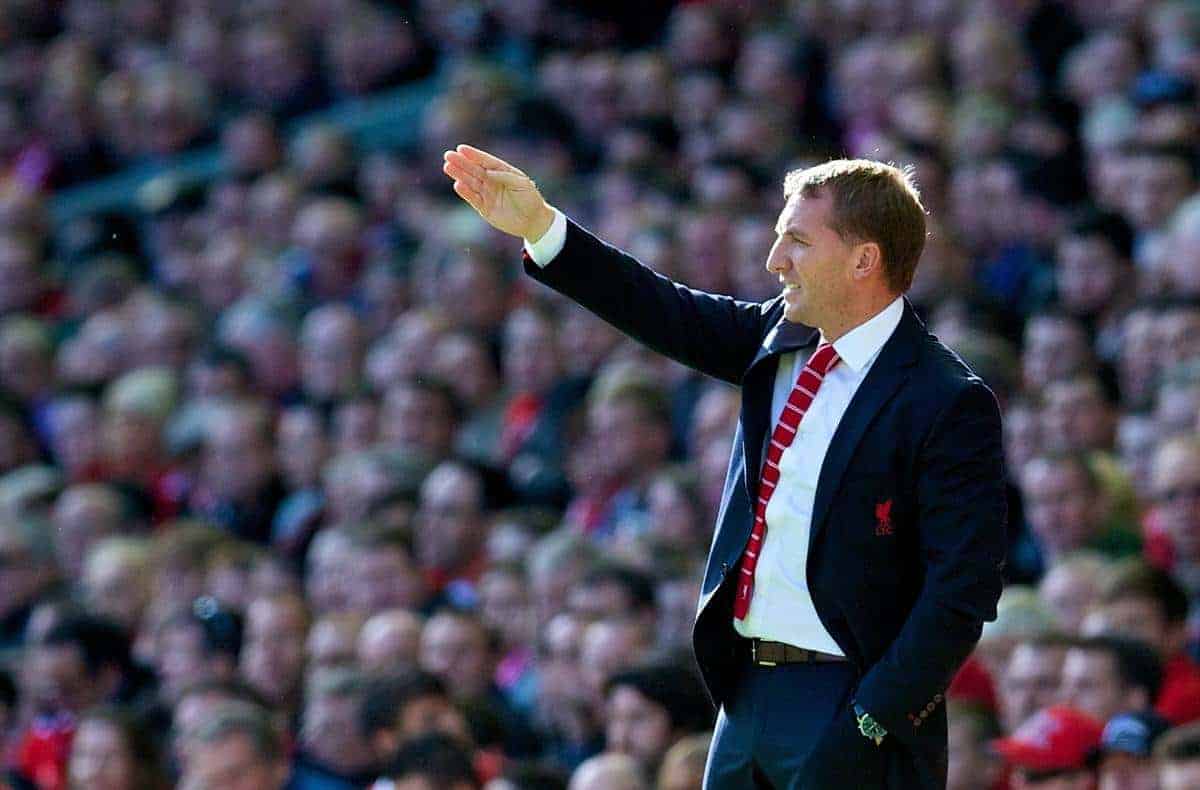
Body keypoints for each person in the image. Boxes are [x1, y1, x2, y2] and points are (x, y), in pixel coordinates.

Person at [443, 143, 1007, 788]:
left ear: (864, 259)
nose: (774, 260)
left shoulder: (944, 400)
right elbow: (663, 310)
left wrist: (874, 719)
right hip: (747, 692)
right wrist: (543, 226)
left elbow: (960, 592)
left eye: (796, 240)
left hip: (850, 700)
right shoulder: (780, 336)